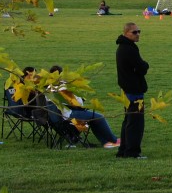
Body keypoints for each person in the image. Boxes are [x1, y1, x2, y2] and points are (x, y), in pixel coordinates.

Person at [47, 66, 120, 148]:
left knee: (93, 118)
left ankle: (106, 142)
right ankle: (113, 140)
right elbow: (77, 103)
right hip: (68, 115)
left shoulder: (49, 88)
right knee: (98, 117)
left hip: (57, 118)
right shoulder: (63, 88)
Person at [115, 22, 150, 159]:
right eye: (134, 32)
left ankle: (123, 150)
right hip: (133, 90)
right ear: (126, 33)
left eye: (139, 31)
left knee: (128, 121)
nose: (138, 34)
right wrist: (144, 65)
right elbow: (141, 67)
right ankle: (132, 152)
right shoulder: (129, 49)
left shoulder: (123, 47)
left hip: (126, 89)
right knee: (135, 122)